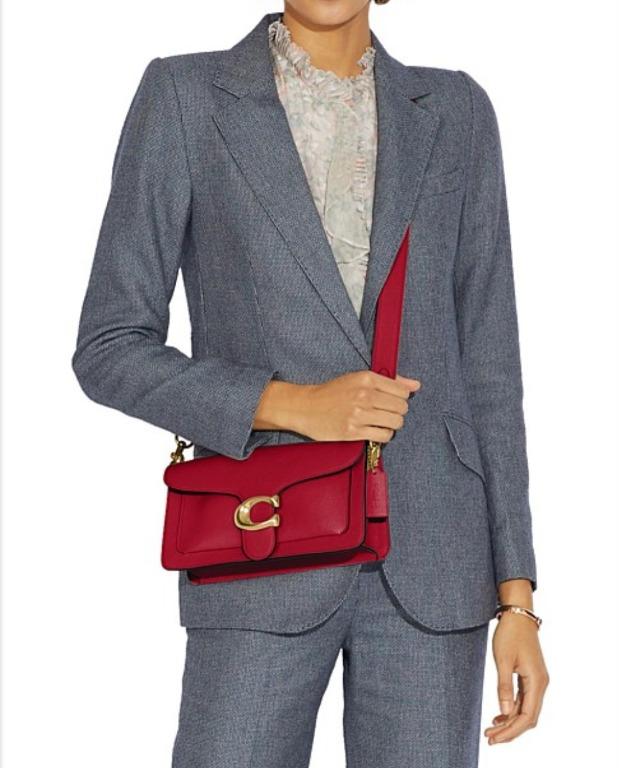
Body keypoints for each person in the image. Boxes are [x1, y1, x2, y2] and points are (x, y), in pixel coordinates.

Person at [71, 2, 549, 766]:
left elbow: (490, 365)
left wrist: (516, 597)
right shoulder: (186, 97)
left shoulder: (455, 110)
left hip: (433, 563)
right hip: (260, 542)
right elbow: (108, 346)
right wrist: (289, 404)